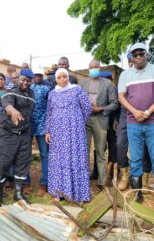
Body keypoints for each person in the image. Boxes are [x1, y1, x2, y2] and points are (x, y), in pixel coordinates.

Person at [118, 43, 154, 207]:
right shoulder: (125, 75)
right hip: (133, 123)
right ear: (131, 57)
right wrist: (134, 111)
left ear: (146, 54)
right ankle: (137, 195)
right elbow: (121, 96)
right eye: (135, 54)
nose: (138, 57)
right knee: (135, 159)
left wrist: (147, 112)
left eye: (141, 53)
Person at [45, 68, 92, 202]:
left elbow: (87, 107)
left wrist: (78, 121)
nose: (62, 79)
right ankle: (60, 193)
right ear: (56, 79)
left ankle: (80, 195)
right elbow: (49, 113)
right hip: (57, 132)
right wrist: (48, 131)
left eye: (64, 77)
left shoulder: (76, 90)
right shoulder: (52, 94)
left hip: (74, 132)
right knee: (59, 160)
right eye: (59, 77)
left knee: (76, 159)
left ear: (68, 77)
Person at [0, 69, 36, 208]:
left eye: (28, 81)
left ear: (31, 81)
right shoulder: (11, 90)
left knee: (22, 164)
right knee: (3, 164)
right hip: (7, 134)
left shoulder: (32, 94)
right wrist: (14, 111)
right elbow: (7, 104)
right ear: (18, 79)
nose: (25, 82)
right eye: (23, 79)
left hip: (24, 135)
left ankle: (18, 194)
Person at [79, 60, 118, 190]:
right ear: (88, 68)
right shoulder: (81, 84)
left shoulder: (108, 84)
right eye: (91, 67)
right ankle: (83, 181)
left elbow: (114, 103)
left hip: (100, 119)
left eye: (96, 67)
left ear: (99, 68)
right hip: (84, 121)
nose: (93, 69)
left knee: (100, 152)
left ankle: (102, 181)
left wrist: (100, 109)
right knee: (84, 151)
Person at [116, 53, 152, 191]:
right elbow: (119, 97)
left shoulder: (148, 76)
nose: (132, 64)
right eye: (130, 62)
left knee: (144, 147)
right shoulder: (124, 76)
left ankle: (144, 178)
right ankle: (125, 176)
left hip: (146, 113)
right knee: (120, 145)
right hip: (126, 114)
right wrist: (116, 119)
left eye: (134, 61)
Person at [24, 68, 53, 197]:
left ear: (43, 76)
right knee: (25, 154)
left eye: (39, 75)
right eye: (35, 75)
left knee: (45, 154)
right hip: (28, 126)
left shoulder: (48, 88)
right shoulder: (26, 88)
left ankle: (45, 183)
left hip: (42, 125)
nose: (37, 78)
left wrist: (49, 126)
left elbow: (50, 107)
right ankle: (26, 182)